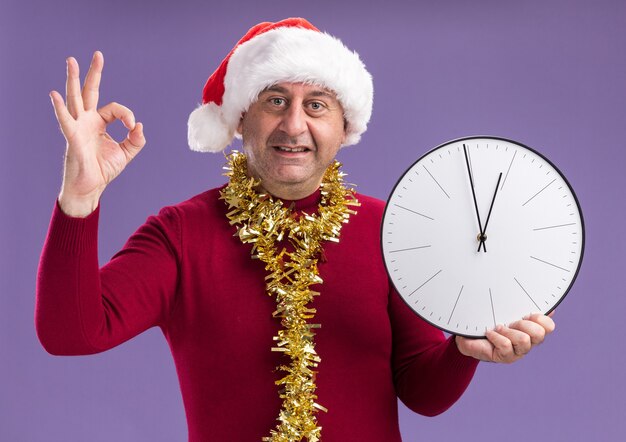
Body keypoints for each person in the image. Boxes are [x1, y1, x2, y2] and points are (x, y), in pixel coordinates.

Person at [37, 18, 555, 442]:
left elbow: (423, 392)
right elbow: (71, 333)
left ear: (343, 126)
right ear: (241, 119)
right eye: (275, 100)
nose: (293, 125)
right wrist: (79, 198)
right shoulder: (180, 234)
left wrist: (462, 350)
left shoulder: (388, 229)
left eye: (317, 105)